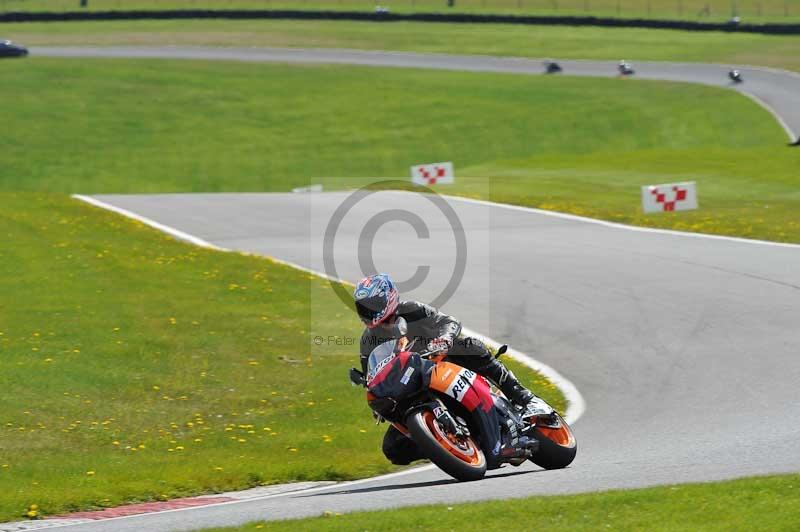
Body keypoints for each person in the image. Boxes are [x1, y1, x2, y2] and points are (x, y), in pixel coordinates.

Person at [353, 273, 537, 465]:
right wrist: (378, 395)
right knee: (393, 448)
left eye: (372, 304)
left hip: (442, 363)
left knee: (469, 346)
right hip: (410, 386)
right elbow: (372, 376)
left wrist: (444, 338)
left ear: (387, 297)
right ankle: (447, 445)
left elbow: (449, 322)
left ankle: (520, 394)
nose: (367, 311)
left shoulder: (410, 310)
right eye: (363, 307)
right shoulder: (368, 341)